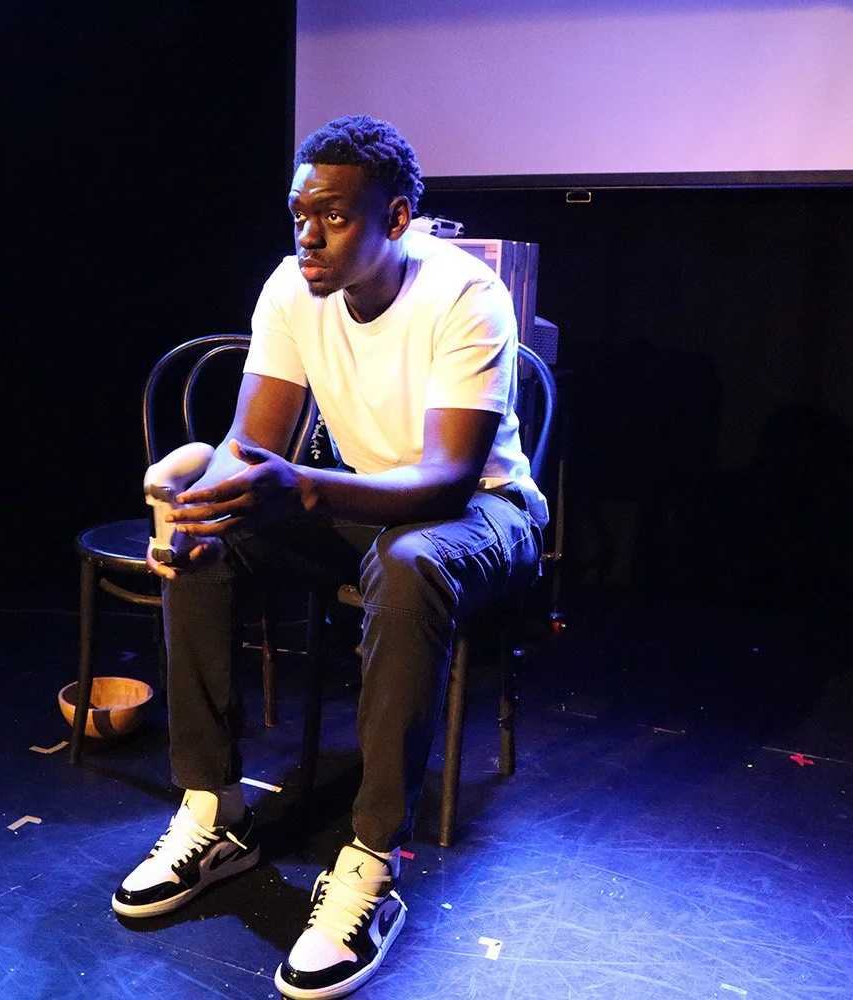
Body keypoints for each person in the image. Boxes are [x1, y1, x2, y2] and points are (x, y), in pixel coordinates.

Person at [111, 114, 548, 1000]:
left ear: (395, 219)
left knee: (415, 560)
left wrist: (302, 487)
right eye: (299, 214)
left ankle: (370, 863)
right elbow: (251, 444)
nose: (308, 236)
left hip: (483, 518)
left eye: (335, 217)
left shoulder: (465, 296)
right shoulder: (290, 287)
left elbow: (446, 481)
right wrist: (198, 503)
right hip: (367, 505)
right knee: (215, 538)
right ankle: (213, 811)